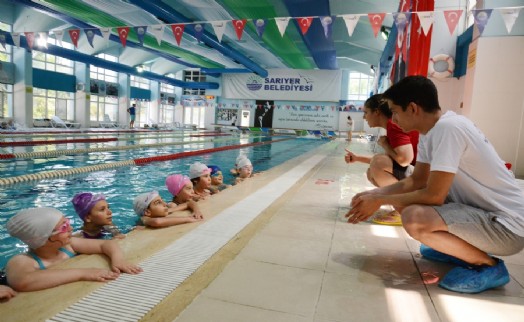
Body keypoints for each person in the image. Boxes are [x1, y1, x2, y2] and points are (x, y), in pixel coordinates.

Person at [346, 76, 524, 294]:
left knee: (415, 219)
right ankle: (456, 249)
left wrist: (380, 199)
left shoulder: (449, 129)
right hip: (485, 213)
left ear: (412, 108)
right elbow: (416, 181)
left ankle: (490, 266)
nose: (393, 119)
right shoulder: (431, 132)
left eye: (395, 112)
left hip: (507, 228)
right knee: (412, 210)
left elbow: (434, 196)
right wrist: (374, 193)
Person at [5, 207, 142, 292]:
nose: (70, 228)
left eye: (68, 223)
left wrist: (118, 260)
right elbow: (24, 281)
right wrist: (83, 273)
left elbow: (105, 245)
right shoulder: (22, 261)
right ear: (43, 238)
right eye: (64, 227)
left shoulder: (68, 245)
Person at [345, 94, 419, 225]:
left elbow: (404, 160)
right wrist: (357, 158)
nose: (364, 117)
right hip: (416, 175)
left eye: (366, 112)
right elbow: (391, 161)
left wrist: (385, 145)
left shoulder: (393, 125)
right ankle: (399, 205)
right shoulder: (391, 126)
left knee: (378, 164)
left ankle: (403, 211)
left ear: (377, 112)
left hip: (423, 178)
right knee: (371, 172)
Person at [133, 190, 202, 228]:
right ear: (147, 212)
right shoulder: (145, 219)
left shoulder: (163, 210)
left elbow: (189, 203)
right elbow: (157, 222)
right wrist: (188, 219)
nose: (165, 204)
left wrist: (196, 211)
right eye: (158, 203)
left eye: (162, 200)